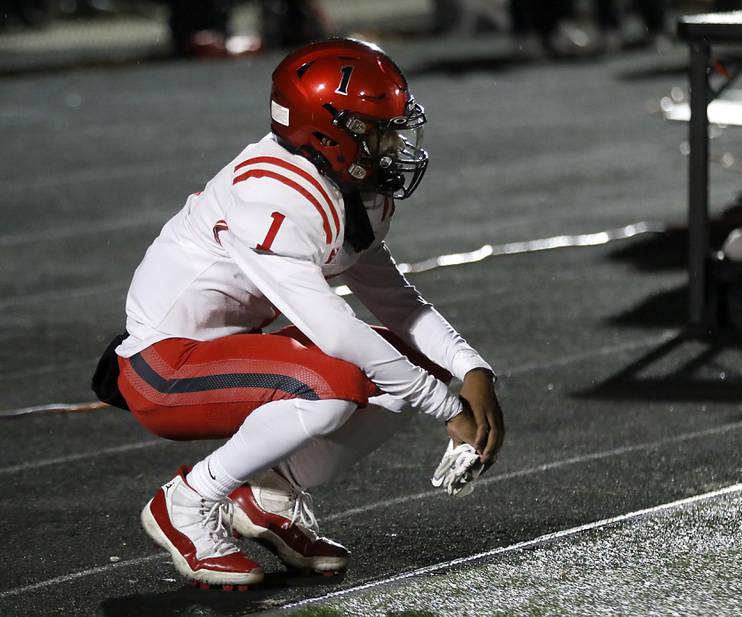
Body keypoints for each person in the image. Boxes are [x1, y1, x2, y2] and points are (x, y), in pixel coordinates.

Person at [93, 38, 505, 589]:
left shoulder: (347, 185)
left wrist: (471, 368)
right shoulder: (274, 191)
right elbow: (335, 332)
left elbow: (397, 302)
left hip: (228, 350)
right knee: (333, 382)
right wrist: (445, 409)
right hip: (163, 365)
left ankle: (269, 494)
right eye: (377, 129)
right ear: (329, 132)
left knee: (410, 363)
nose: (394, 143)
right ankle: (188, 500)